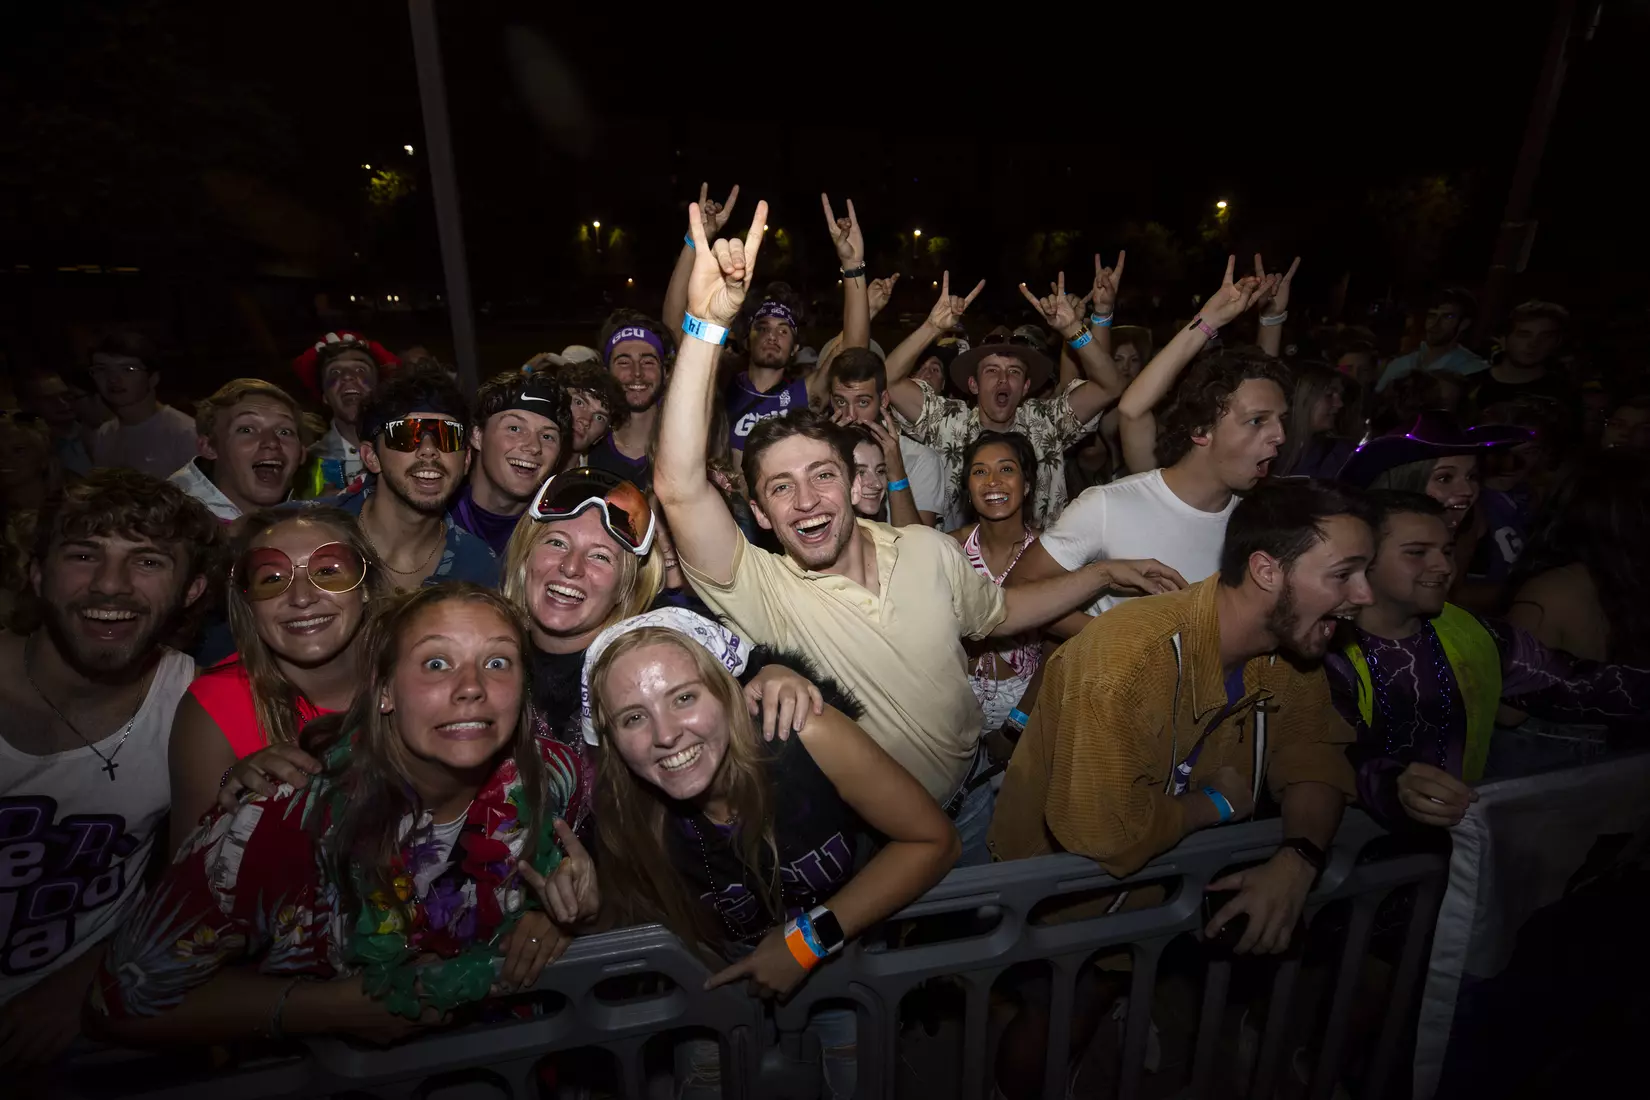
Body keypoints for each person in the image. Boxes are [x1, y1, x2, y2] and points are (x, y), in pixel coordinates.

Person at [655, 198, 1183, 865]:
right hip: (876, 843)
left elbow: (1002, 611)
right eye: (780, 488)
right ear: (758, 513)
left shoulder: (929, 550)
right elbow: (677, 486)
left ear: (853, 484)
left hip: (985, 798)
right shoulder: (759, 585)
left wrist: (1102, 575)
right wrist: (707, 326)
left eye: (822, 476)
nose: (807, 501)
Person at [987, 480, 1370, 1100]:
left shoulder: (1286, 655)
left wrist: (1298, 858)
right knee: (1057, 1015)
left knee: (1101, 999)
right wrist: (1215, 805)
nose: (1363, 596)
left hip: (1153, 895)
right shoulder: (1125, 659)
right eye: (1344, 575)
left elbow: (1314, 754)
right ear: (1268, 571)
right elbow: (1103, 834)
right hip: (1066, 896)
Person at [86, 584, 599, 1046]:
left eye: (497, 663)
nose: (471, 687)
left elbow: (578, 892)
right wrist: (327, 1010)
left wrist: (557, 918)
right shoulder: (278, 820)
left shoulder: (553, 779)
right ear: (383, 691)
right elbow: (119, 1003)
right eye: (436, 663)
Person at [582, 609, 960, 1100]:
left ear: (728, 692)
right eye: (634, 717)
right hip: (715, 976)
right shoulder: (625, 807)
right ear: (611, 741)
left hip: (842, 951)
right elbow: (623, 919)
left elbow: (935, 841)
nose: (666, 734)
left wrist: (806, 943)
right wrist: (570, 917)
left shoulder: (805, 736)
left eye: (684, 698)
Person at [0, 470, 215, 1067]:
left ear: (192, 589)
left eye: (147, 562)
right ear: (37, 573)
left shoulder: (194, 704)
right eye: (83, 554)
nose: (110, 586)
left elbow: (198, 887)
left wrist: (96, 978)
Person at [1323, 492, 1650, 828]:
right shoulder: (1324, 646)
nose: (1444, 566)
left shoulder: (1474, 634)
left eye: (1447, 551)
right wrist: (1394, 785)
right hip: (1350, 847)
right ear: (1364, 562)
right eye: (1417, 553)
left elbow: (1582, 685)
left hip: (1457, 846)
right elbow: (1329, 755)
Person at [1009, 260, 1286, 626]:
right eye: (1257, 422)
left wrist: (1271, 321)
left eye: (1281, 421)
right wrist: (1117, 642)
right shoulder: (1111, 506)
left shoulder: (1259, 521)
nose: (1280, 436)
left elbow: (1257, 388)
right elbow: (1130, 406)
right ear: (1201, 430)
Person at [165, 508, 392, 852]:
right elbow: (186, 888)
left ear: (364, 589)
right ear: (248, 604)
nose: (301, 598)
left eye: (328, 572)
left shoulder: (415, 681)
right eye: (272, 579)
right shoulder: (217, 706)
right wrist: (235, 799)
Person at [882, 261, 1129, 525]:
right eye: (991, 371)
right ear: (973, 385)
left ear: (1025, 388)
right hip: (962, 562)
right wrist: (931, 327)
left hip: (1040, 563)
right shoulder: (947, 421)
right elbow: (887, 381)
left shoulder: (1048, 421)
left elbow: (1110, 386)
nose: (1003, 379)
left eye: (1013, 372)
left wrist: (1073, 329)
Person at [501, 468, 663, 828]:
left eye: (600, 556)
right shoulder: (482, 658)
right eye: (557, 542)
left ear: (625, 586)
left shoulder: (643, 681)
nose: (571, 567)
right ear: (526, 555)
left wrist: (771, 672)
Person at [326, 366, 499, 590]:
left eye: (447, 435)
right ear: (371, 457)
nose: (429, 450)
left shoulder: (478, 569)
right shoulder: (308, 532)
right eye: (406, 434)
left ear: (466, 460)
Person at [948, 431, 1047, 743]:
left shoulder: (1050, 553)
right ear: (968, 489)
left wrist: (1020, 720)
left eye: (1006, 469)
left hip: (1024, 699)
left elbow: (1059, 649)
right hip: (954, 698)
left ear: (1027, 484)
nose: (992, 481)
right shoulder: (949, 549)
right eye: (979, 471)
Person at [452, 370, 572, 556]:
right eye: (514, 428)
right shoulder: (432, 522)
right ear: (477, 436)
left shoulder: (559, 537)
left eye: (548, 436)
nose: (534, 447)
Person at [828, 347, 949, 526]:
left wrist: (896, 473)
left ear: (883, 400)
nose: (850, 415)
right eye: (841, 402)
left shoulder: (919, 459)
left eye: (863, 402)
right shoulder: (820, 450)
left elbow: (919, 545)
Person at [168, 378, 313, 522]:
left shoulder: (314, 526)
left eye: (285, 432)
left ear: (302, 454)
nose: (272, 442)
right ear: (208, 447)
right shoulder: (166, 525)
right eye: (246, 430)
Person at [292, 330, 398, 498]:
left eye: (360, 369)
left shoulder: (406, 451)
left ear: (379, 387)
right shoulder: (304, 466)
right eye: (334, 372)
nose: (348, 377)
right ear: (325, 396)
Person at [85, 331, 198, 480]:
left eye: (128, 369)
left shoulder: (184, 434)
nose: (113, 379)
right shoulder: (104, 435)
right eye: (101, 369)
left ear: (153, 378)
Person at [586, 310, 674, 493]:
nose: (637, 373)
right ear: (606, 372)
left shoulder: (683, 449)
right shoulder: (586, 447)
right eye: (623, 362)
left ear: (665, 372)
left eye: (648, 362)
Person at [1467, 301, 1573, 416]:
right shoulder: (1470, 385)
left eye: (1545, 337)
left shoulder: (1563, 394)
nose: (1533, 344)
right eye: (1524, 335)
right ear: (1503, 339)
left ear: (1557, 342)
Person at [1374, 288, 1486, 392]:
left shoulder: (1472, 368)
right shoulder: (1401, 364)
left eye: (1447, 317)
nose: (1435, 324)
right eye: (1432, 316)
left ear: (1464, 324)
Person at [1275, 361, 1354, 478]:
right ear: (1301, 399)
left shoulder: (1338, 454)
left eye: (1339, 396)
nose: (1339, 404)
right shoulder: (1266, 450)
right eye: (1329, 394)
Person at [14, 371, 93, 477]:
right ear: (26, 405)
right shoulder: (25, 450)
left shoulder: (96, 434)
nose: (62, 403)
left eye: (66, 395)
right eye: (48, 399)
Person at [556, 359, 628, 466]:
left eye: (599, 417)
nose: (586, 420)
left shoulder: (596, 480)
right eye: (579, 402)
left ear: (600, 436)